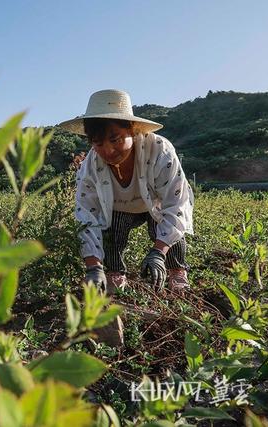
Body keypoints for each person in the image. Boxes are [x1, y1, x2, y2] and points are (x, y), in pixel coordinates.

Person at [60, 89, 194, 346]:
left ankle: (177, 276)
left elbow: (176, 204)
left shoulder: (159, 150)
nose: (108, 150)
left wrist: (158, 252)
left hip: (155, 206)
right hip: (120, 209)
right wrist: (92, 267)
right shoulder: (91, 166)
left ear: (132, 129)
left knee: (166, 232)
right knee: (111, 232)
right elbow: (87, 216)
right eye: (98, 143)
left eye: (115, 139)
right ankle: (114, 277)